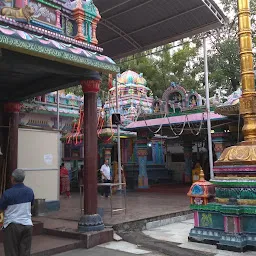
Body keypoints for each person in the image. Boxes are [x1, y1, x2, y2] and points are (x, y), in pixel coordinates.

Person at [0, 169, 34, 256]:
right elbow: (32, 206)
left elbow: (1, 208)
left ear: (12, 178)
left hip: (12, 226)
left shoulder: (7, 193)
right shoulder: (30, 191)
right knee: (25, 252)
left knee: (11, 252)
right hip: (27, 225)